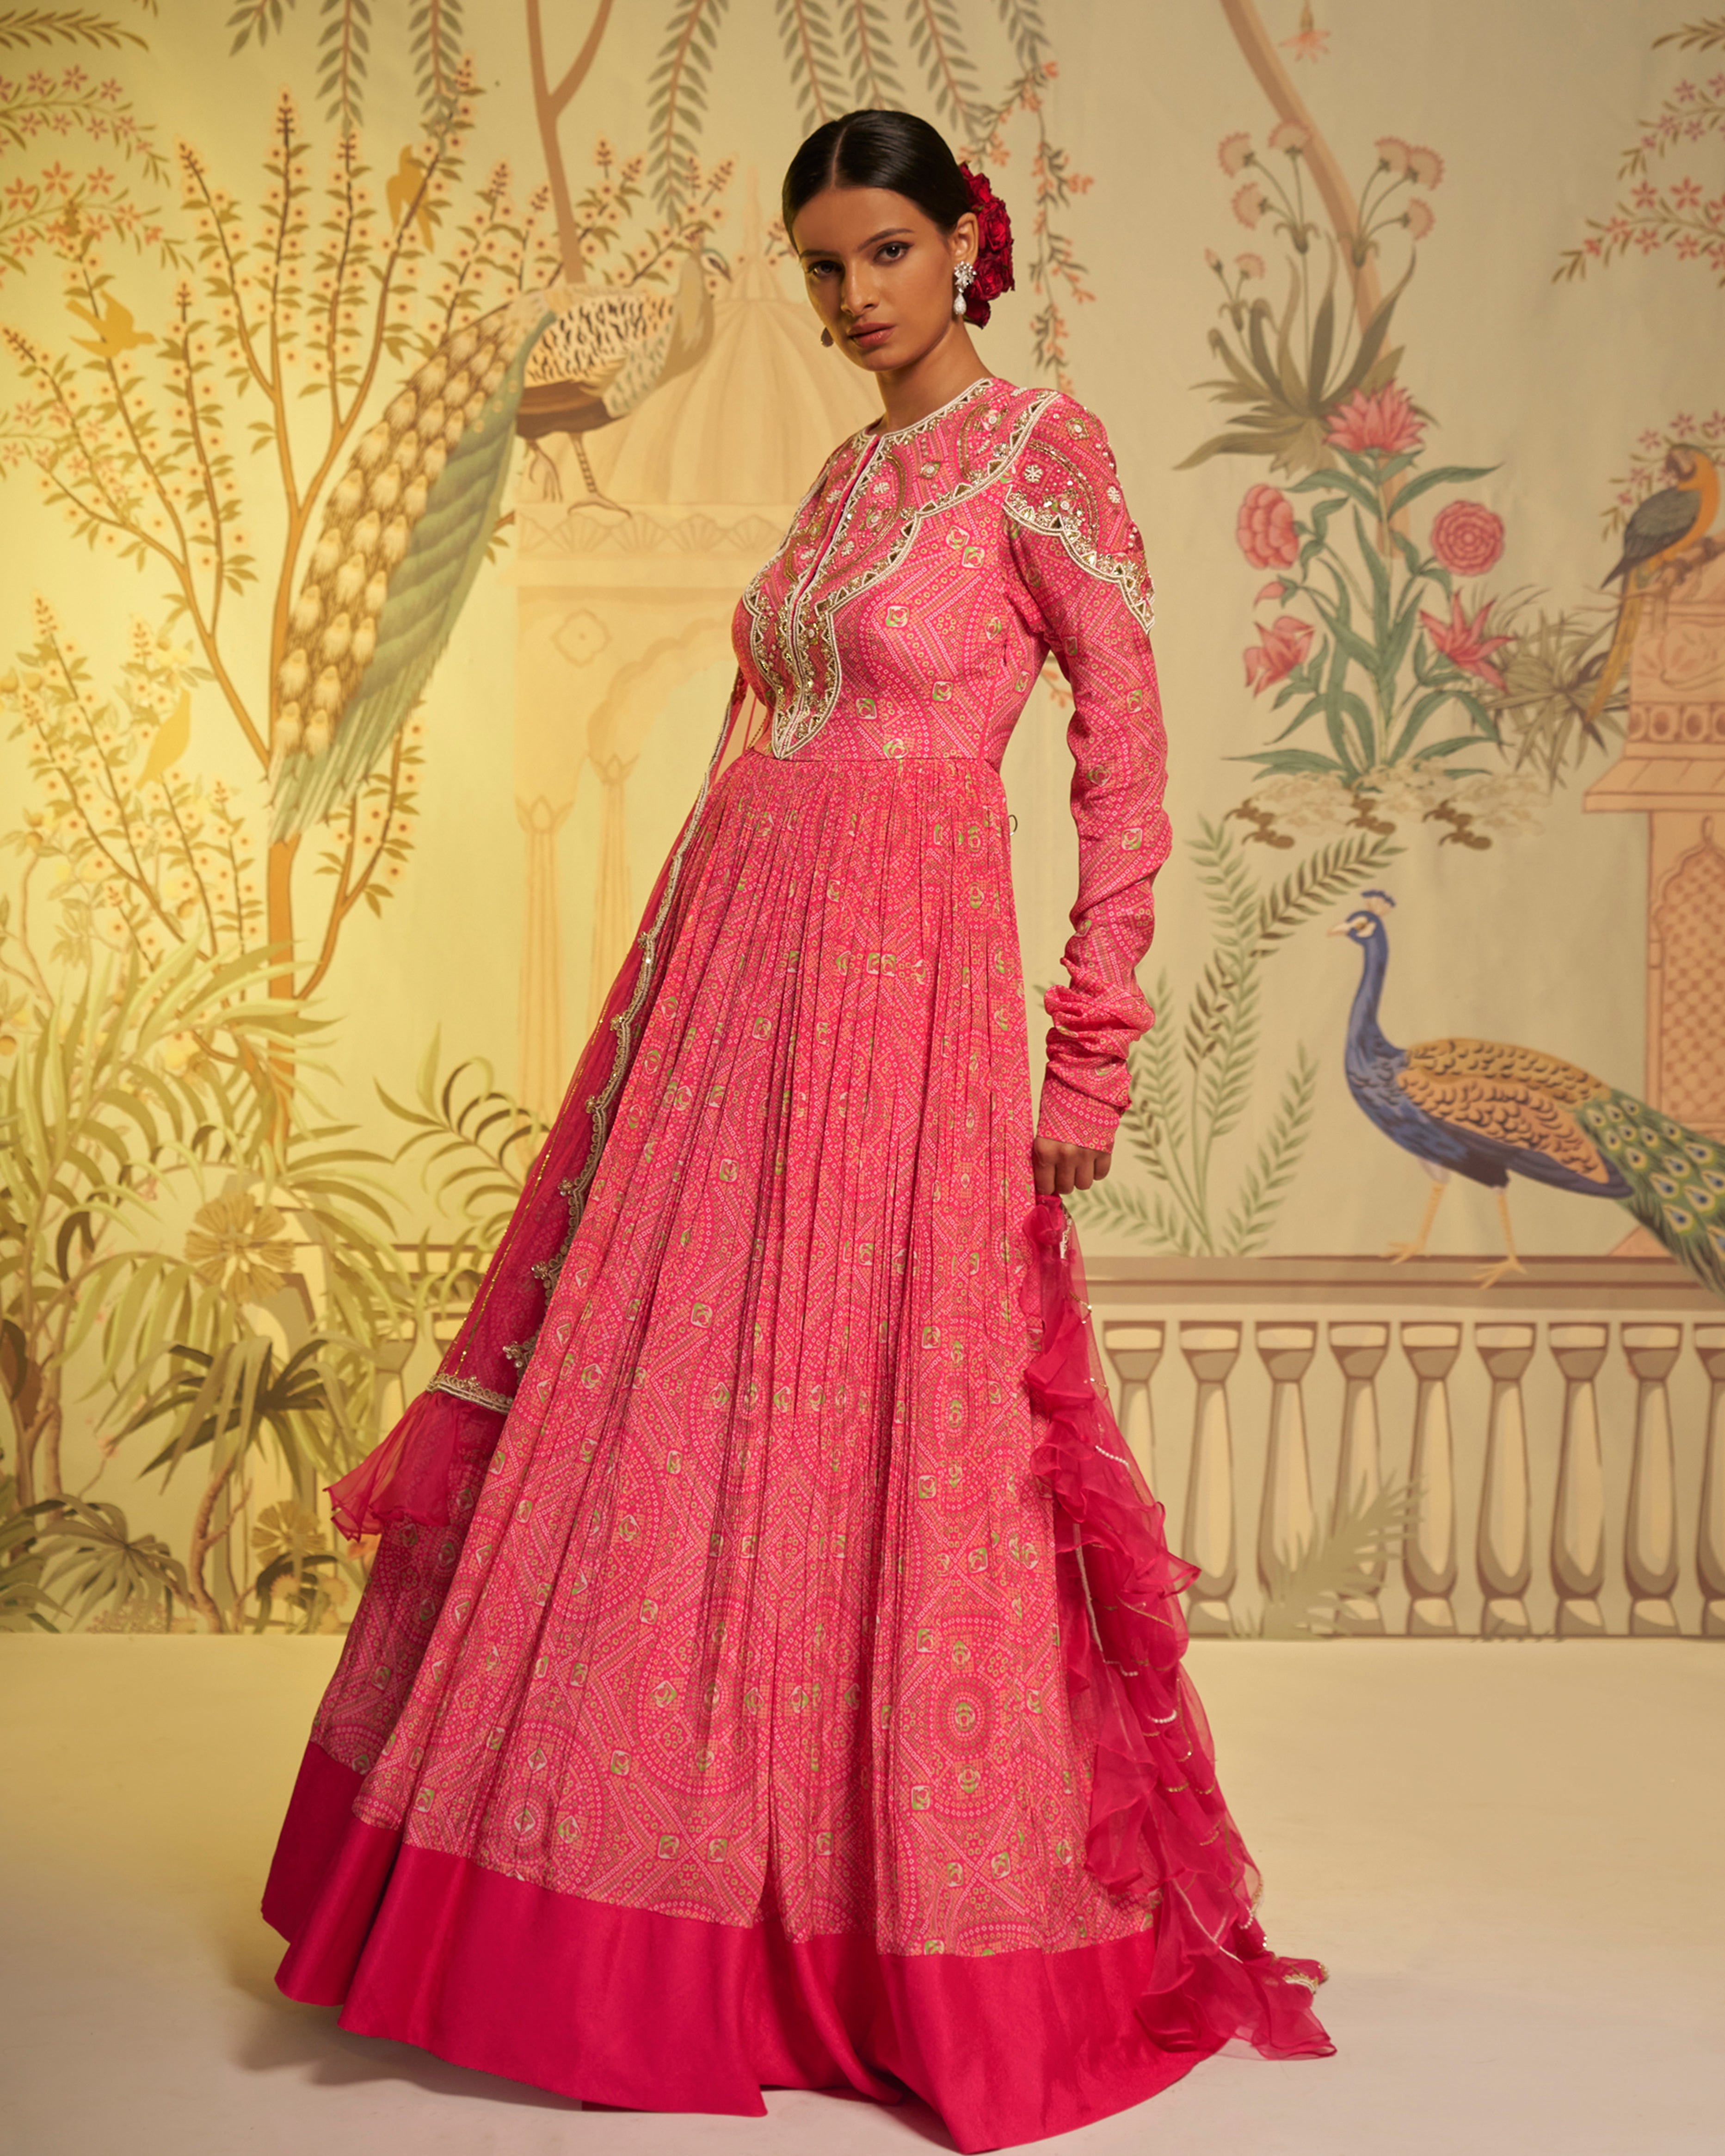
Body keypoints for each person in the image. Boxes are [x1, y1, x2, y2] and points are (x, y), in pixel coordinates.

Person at [263, 107, 1332, 2152]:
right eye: (823, 266)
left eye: (885, 253)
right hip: (735, 980)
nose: (854, 298)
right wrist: (671, 991)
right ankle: (651, 1888)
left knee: (891, 1424)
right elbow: (760, 733)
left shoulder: (1041, 452)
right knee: (675, 1405)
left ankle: (874, 1923)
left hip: (903, 995)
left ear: (963, 244)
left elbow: (1127, 753)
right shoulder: (848, 477)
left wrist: (1089, 1049)